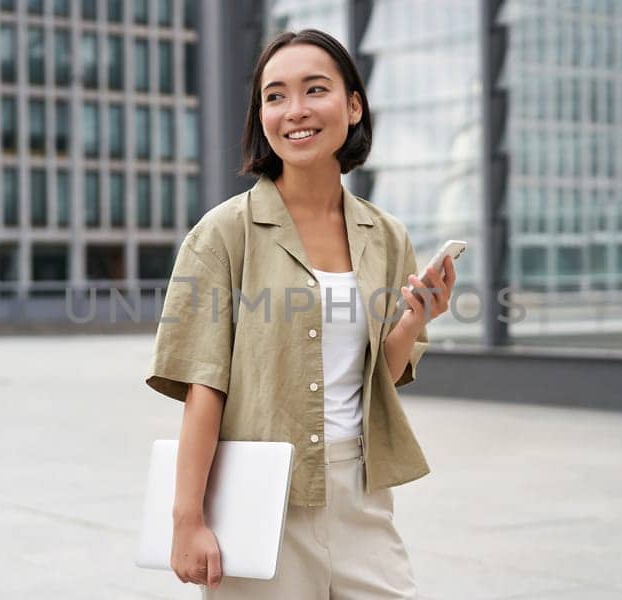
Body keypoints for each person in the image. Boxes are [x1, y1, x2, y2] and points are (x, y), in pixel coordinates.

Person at [144, 28, 455, 599]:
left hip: (361, 494)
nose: (296, 111)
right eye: (276, 95)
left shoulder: (386, 235)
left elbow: (372, 383)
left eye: (315, 90)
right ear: (260, 113)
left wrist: (414, 319)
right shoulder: (222, 235)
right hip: (262, 500)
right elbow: (203, 388)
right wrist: (186, 520)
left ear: (353, 105)